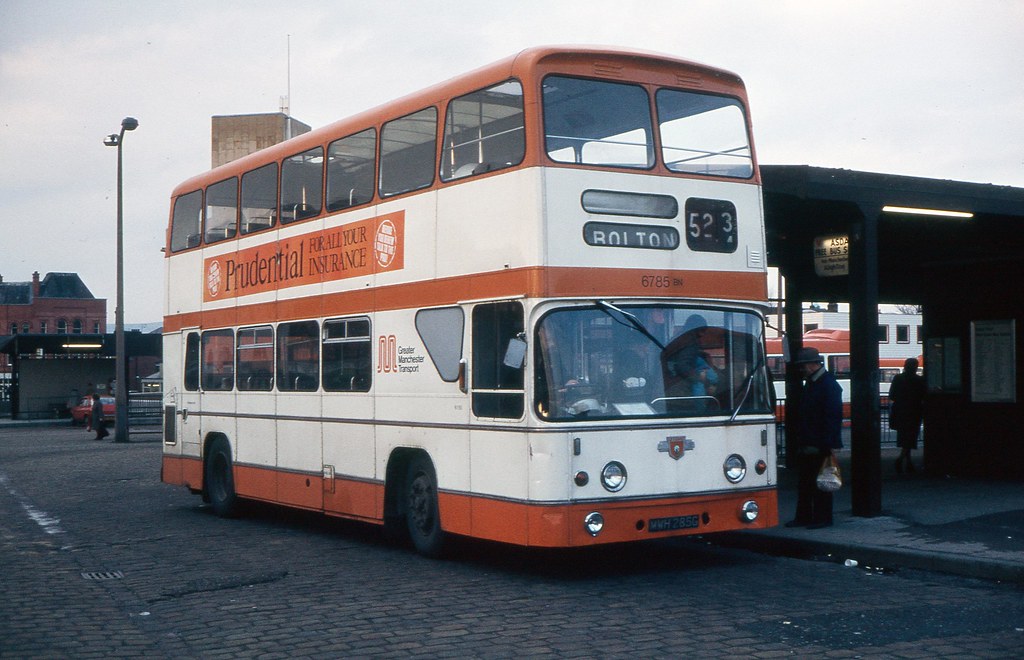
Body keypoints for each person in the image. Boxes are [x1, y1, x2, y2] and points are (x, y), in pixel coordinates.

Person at [786, 346, 843, 529]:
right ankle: (806, 517)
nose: (802, 369)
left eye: (803, 365)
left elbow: (832, 417)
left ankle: (821, 518)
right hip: (810, 441)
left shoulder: (827, 385)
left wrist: (829, 443)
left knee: (821, 482)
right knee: (807, 482)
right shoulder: (816, 383)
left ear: (812, 365)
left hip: (819, 442)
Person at [889, 357, 925, 474]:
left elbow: (892, 395)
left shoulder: (898, 378)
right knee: (910, 438)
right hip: (914, 412)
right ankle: (901, 460)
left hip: (900, 412)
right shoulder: (918, 380)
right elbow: (922, 395)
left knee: (904, 438)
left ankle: (908, 462)